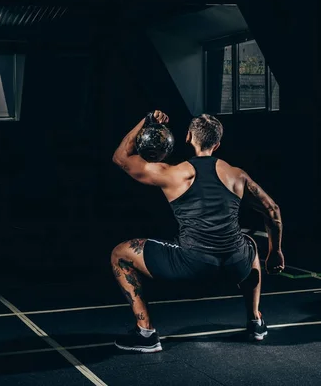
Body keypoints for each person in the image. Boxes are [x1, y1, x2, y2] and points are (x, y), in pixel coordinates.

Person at [111, 110, 284, 353]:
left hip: (191, 267)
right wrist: (275, 251)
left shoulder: (173, 173)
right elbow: (273, 210)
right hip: (235, 267)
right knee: (249, 244)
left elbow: (120, 157)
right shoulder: (237, 175)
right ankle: (255, 321)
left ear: (189, 137)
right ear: (217, 143)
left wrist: (147, 120)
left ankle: (146, 333)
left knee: (120, 254)